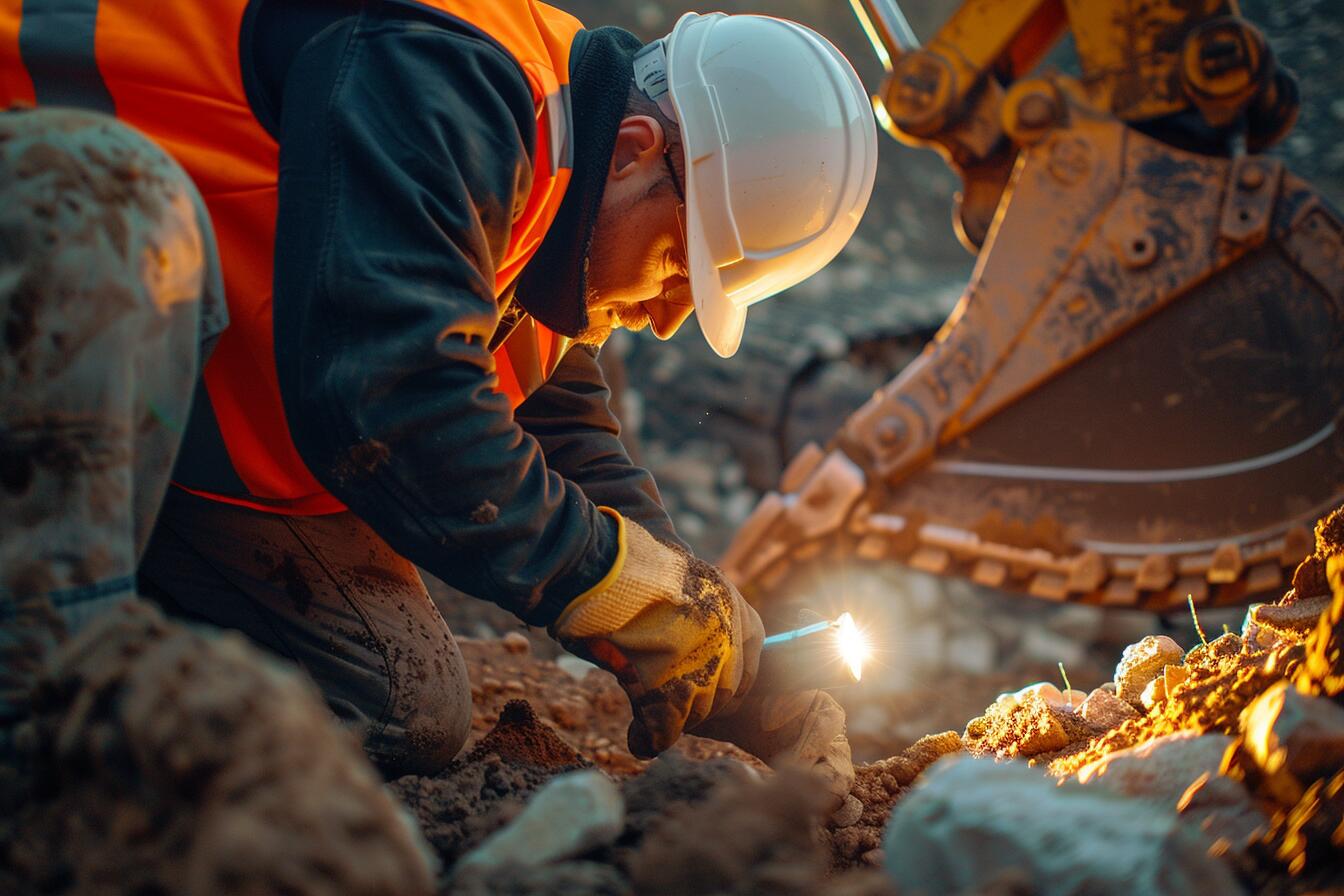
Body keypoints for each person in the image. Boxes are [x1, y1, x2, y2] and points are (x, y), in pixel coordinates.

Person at [0, 0, 877, 794]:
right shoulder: (439, 68)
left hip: (135, 413)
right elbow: (395, 398)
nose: (669, 317)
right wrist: (609, 581)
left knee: (395, 698)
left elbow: (561, 430)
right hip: (33, 245)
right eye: (683, 266)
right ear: (635, 152)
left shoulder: (553, 216)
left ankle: (112, 638)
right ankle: (39, 726)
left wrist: (723, 652)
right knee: (106, 204)